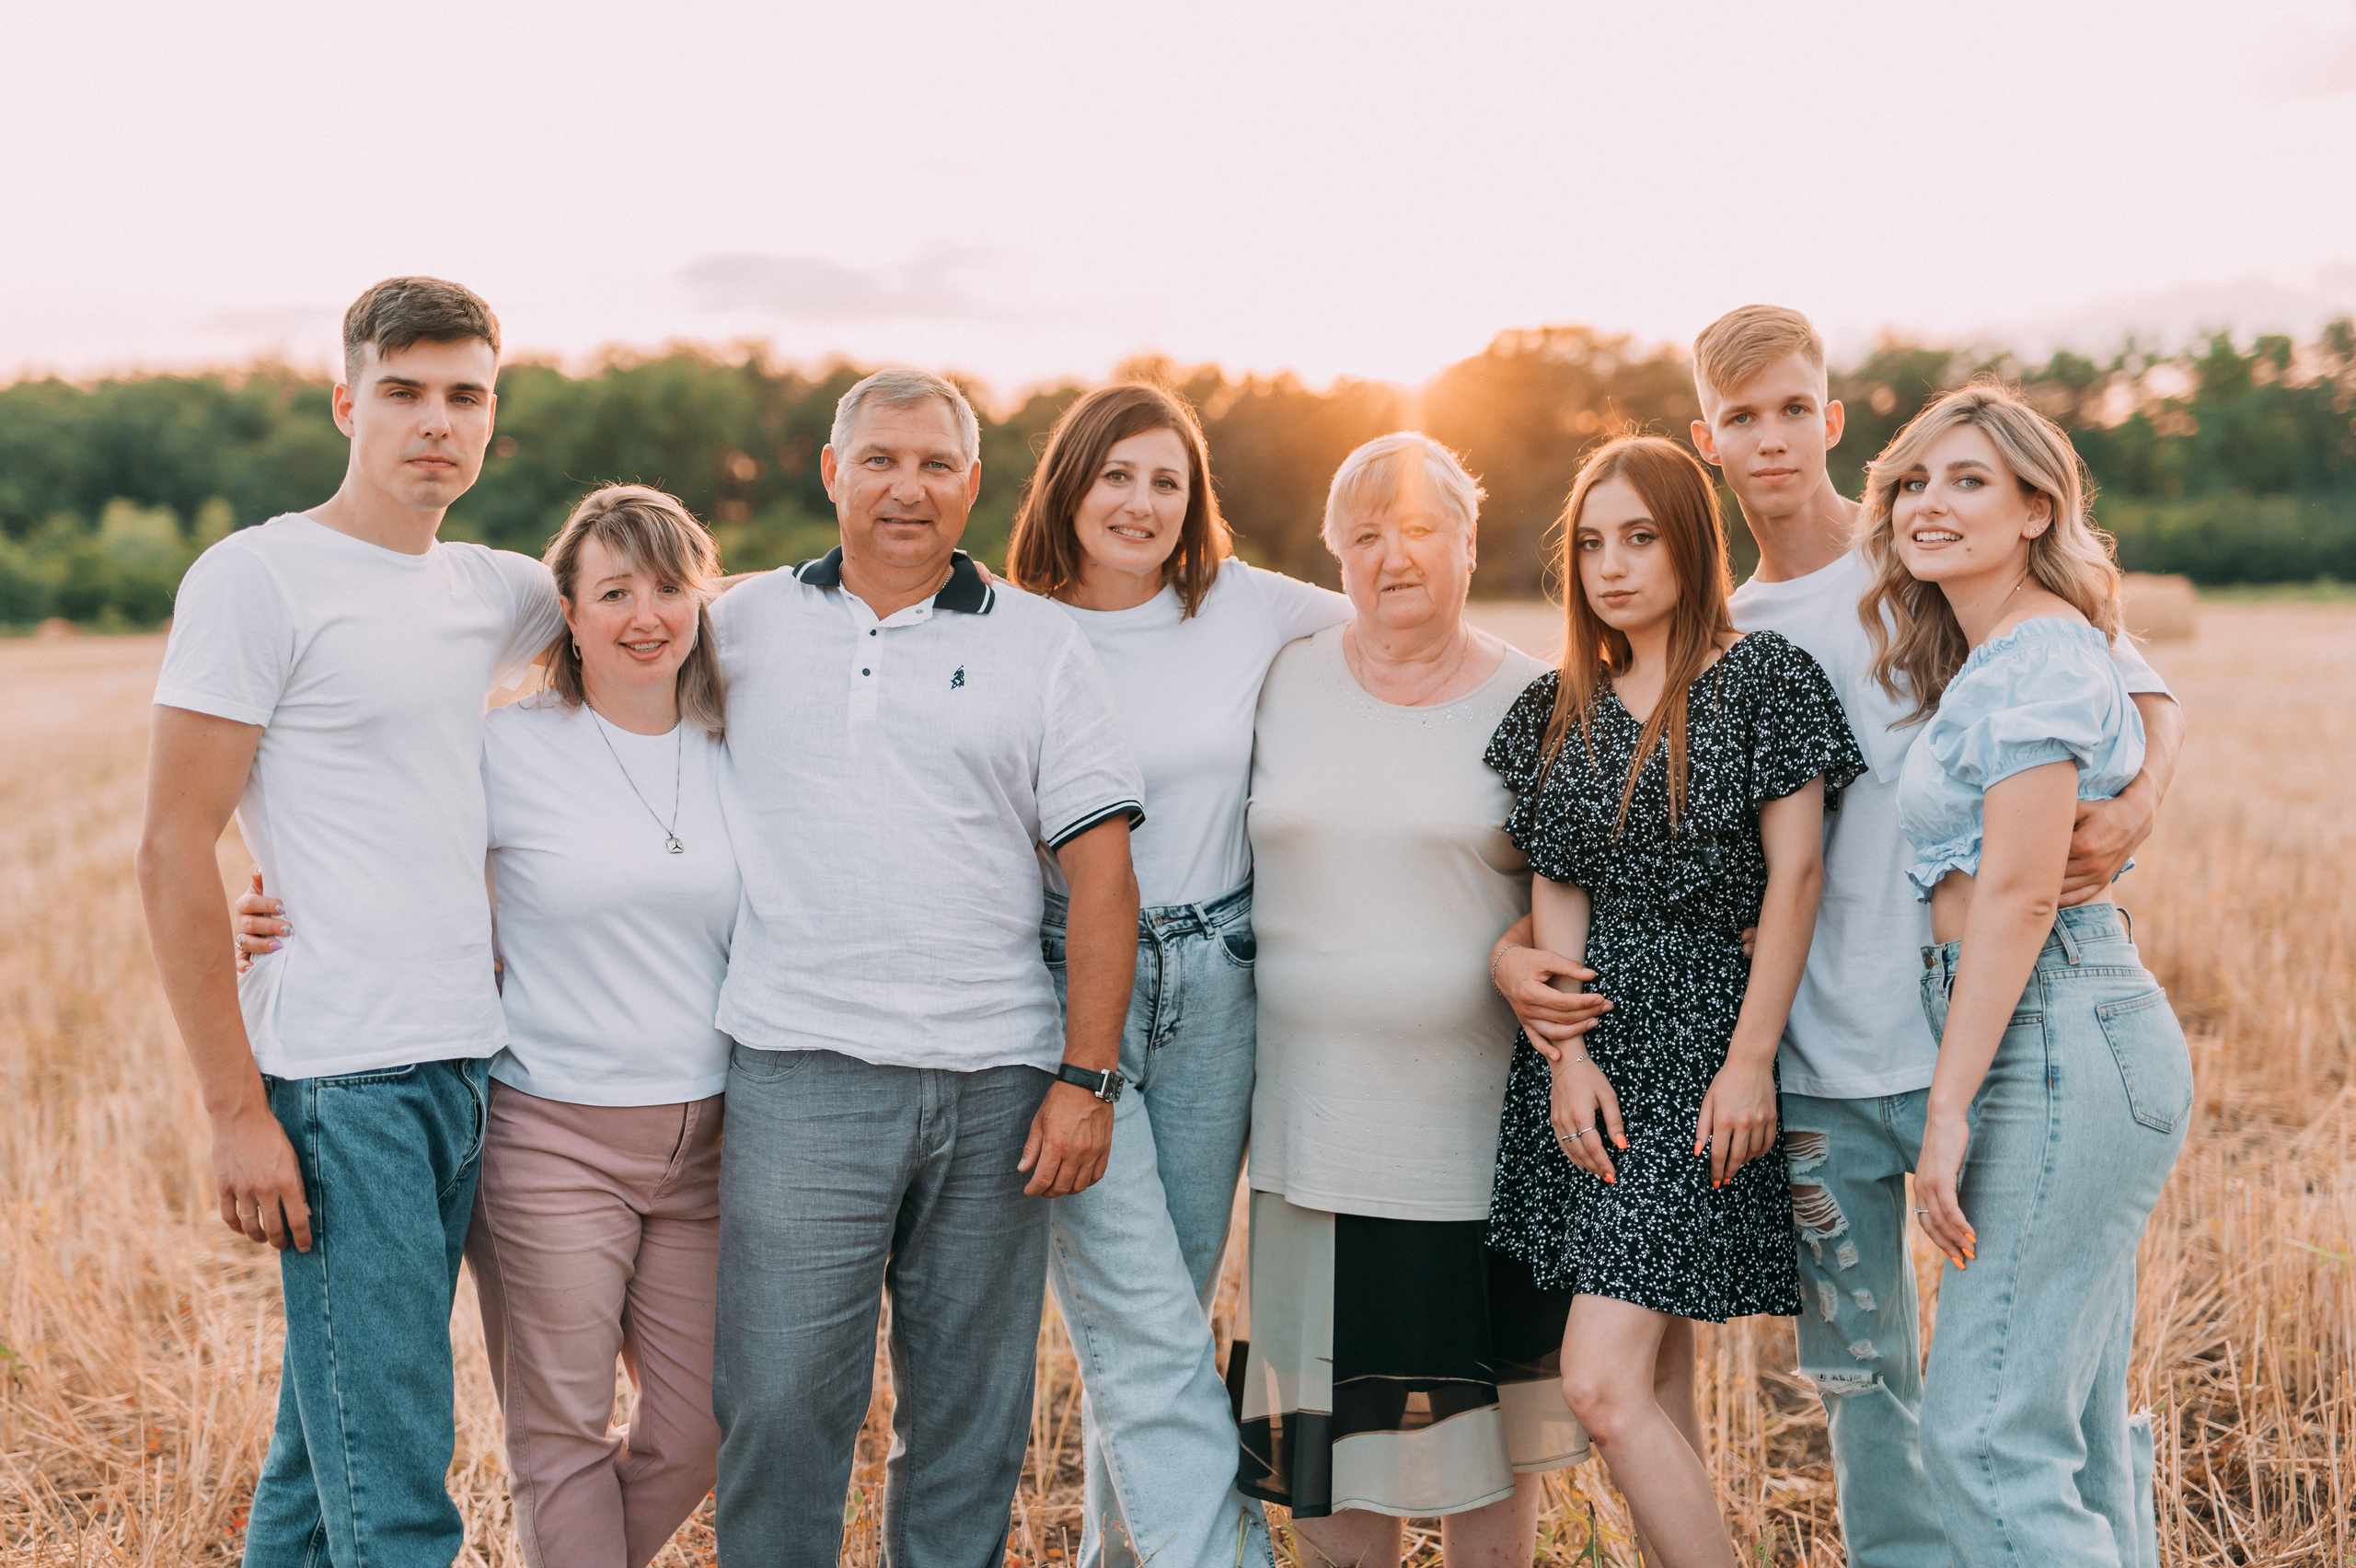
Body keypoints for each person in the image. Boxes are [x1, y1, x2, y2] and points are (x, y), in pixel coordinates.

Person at [1675, 305, 2177, 1568]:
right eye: (1743, 417)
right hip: (1824, 1068)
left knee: (2043, 1397)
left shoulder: (1946, 560)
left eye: (1795, 407)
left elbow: (2140, 692)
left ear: (1832, 418)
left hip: (1993, 1046)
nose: (1774, 438)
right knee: (1866, 1394)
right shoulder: (1724, 631)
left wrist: (2133, 813)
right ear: (1710, 441)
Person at [135, 277, 564, 1568]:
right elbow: (169, 849)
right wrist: (234, 1111)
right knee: (395, 1475)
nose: (436, 421)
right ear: (346, 403)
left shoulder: (496, 591)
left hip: (466, 1060)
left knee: (325, 1457)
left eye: (465, 396)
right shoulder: (259, 576)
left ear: (493, 419)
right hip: (339, 1075)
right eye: (404, 392)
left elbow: (660, 596)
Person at [234, 485, 738, 1568]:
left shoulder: (744, 746)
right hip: (549, 1129)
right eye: (613, 592)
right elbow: (378, 834)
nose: (644, 615)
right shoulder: (503, 749)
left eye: (667, 588)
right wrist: (272, 904)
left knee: (702, 1424)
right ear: (566, 611)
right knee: (556, 1438)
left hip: (712, 1138)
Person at [707, 368, 1145, 1565]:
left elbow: (1103, 878)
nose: (909, 486)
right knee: (783, 1404)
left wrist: (1086, 1078)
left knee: (969, 1421)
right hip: (801, 1072)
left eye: (936, 464)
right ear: (832, 471)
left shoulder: (1043, 646)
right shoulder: (737, 624)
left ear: (971, 485)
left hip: (997, 1086)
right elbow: (599, 747)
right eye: (883, 459)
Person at [1484, 436, 1863, 1568]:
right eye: (1590, 543)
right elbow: (1557, 877)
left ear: (1689, 543)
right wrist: (1564, 1058)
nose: (1611, 565)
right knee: (1651, 1378)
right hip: (1597, 1054)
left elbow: (1796, 876)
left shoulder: (1764, 680)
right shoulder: (1561, 703)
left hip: (1708, 1043)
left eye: (1639, 537)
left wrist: (1750, 1061)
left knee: (1597, 1383)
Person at [1004, 382, 1350, 1568]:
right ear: (1070, 484)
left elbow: (1413, 622)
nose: (1141, 503)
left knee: (1160, 1322)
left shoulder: (1245, 606)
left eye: (1167, 480)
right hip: (1065, 993)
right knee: (1144, 1330)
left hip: (1221, 981)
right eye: (1116, 475)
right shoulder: (1009, 624)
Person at [1236, 432, 1592, 1568]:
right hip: (1310, 1128)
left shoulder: (1538, 696)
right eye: (1367, 535)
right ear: (1335, 554)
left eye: (1422, 529)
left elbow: (1587, 899)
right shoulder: (1280, 679)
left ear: (1469, 540)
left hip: (1476, 1131)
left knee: (1483, 1450)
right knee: (1331, 1455)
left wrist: (1513, 950)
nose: (1396, 557)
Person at [1869, 382, 2189, 1566]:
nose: (1929, 504)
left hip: (2053, 1029)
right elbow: (2158, 699)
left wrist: (1944, 1109)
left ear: (2034, 508)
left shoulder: (2039, 650)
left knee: (1987, 1440)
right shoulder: (2016, 645)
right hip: (2063, 1028)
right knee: (2076, 1438)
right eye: (1912, 481)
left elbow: (2012, 890)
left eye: (1967, 482)